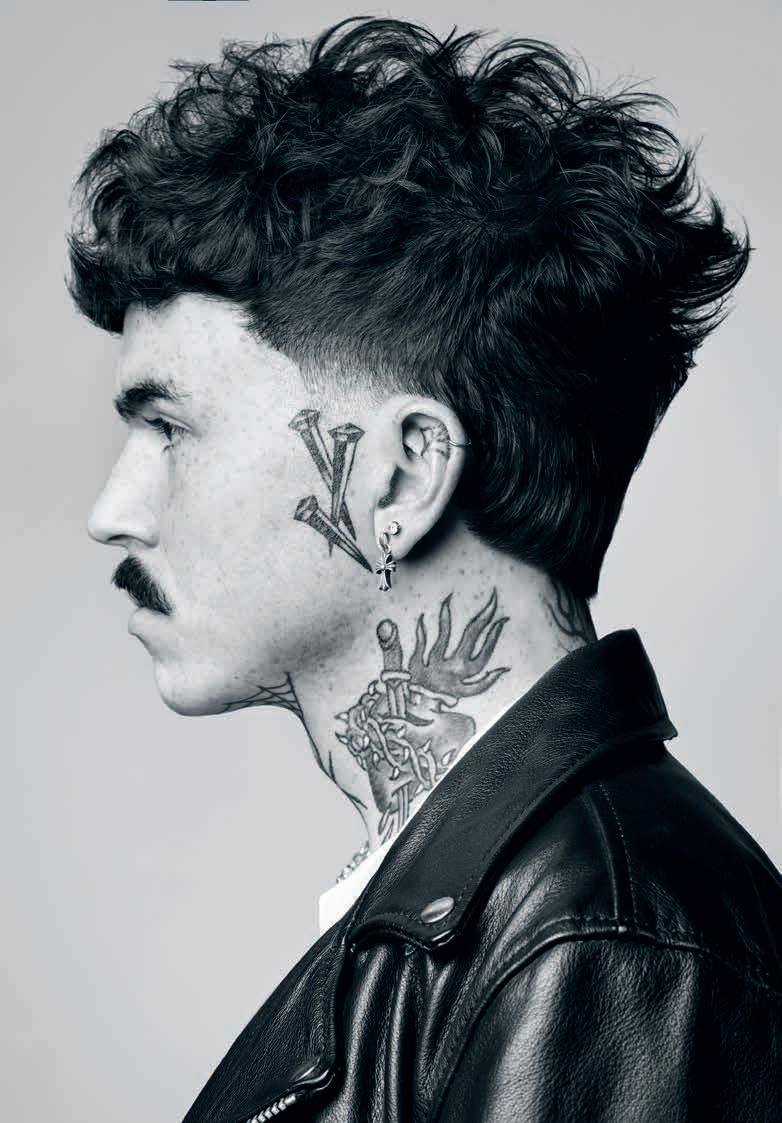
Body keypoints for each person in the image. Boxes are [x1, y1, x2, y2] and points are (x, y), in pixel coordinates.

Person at [70, 16, 781, 1121]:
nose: (110, 514)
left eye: (169, 427)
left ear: (402, 476)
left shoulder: (595, 950)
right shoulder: (505, 922)